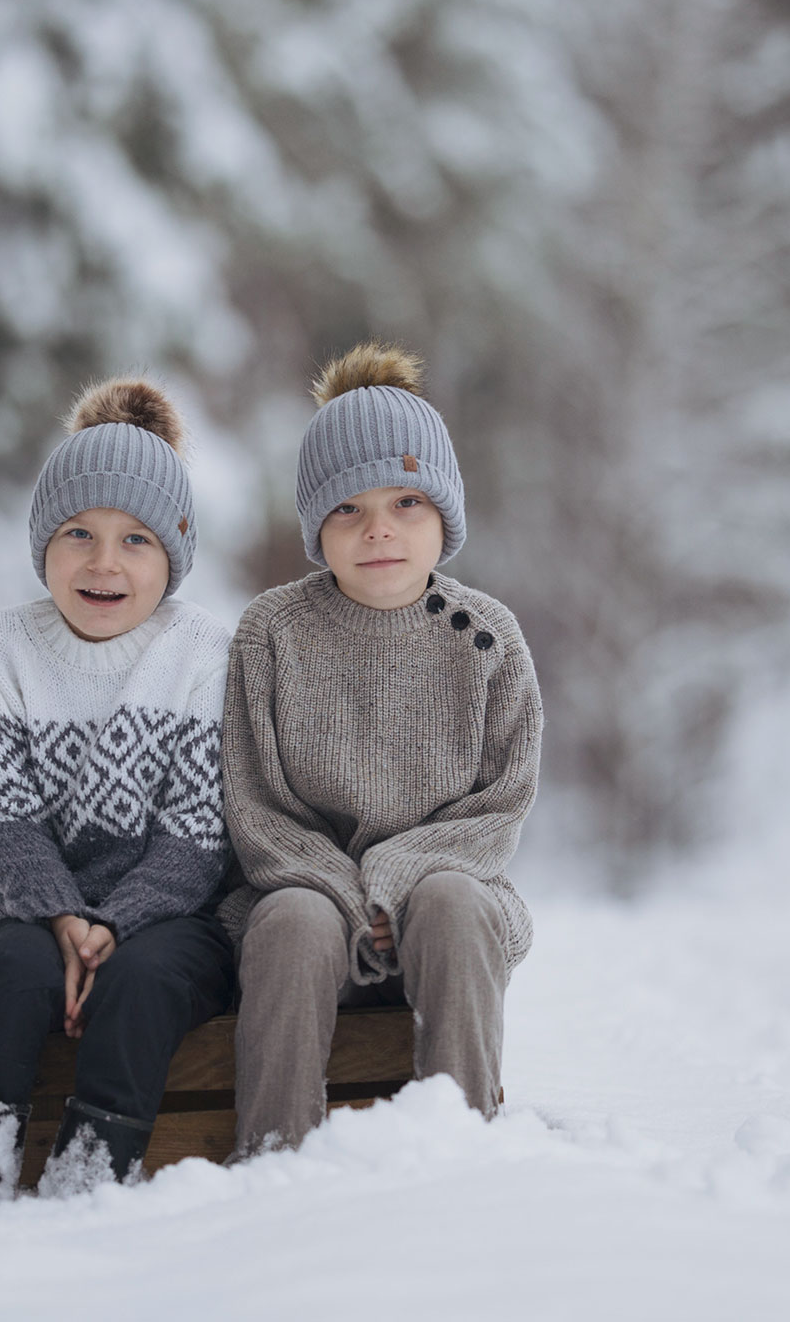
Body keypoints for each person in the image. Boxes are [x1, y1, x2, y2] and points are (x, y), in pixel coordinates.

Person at [218, 341, 541, 1157]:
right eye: (348, 511)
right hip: (307, 897)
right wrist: (350, 896)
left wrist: (395, 884)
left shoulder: (486, 640)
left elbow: (498, 808)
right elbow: (254, 808)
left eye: (406, 504)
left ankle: (461, 1141)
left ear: (444, 516)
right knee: (289, 923)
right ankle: (273, 1155)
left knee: (456, 903)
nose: (379, 531)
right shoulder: (272, 634)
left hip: (441, 902)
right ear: (315, 527)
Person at [0, 377, 234, 1209]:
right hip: (39, 907)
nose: (105, 562)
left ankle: (87, 1184)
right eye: (80, 534)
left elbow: (197, 840)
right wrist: (64, 917)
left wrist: (110, 927)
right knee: (8, 982)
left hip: (174, 917)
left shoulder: (204, 652)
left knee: (142, 985)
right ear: (44, 544)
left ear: (172, 555)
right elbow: (4, 821)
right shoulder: (3, 649)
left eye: (137, 540)